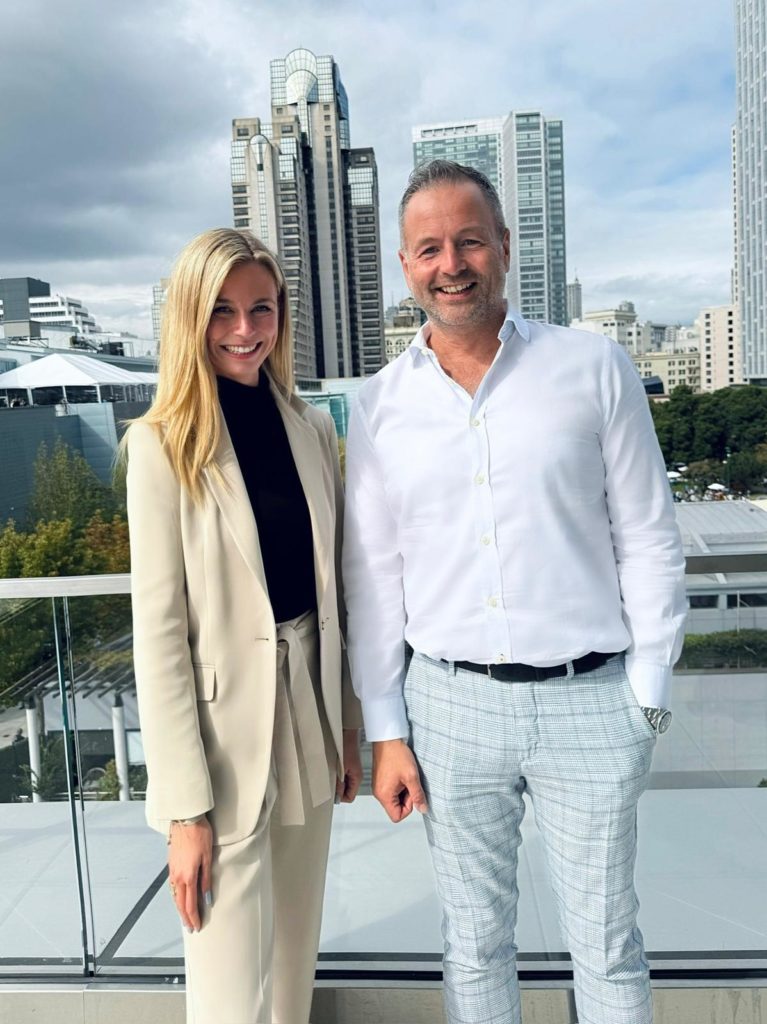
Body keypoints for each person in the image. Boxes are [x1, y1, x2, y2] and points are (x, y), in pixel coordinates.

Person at [342, 161, 686, 1024]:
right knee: (472, 942)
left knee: (606, 941)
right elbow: (373, 575)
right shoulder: (377, 404)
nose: (450, 263)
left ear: (503, 246)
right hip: (448, 707)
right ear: (405, 264)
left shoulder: (593, 366)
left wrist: (647, 699)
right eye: (429, 248)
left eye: (467, 240)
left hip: (593, 699)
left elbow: (647, 536)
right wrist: (386, 730)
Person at [125, 227, 362, 1024]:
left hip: (310, 722)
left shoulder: (310, 429)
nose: (243, 328)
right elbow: (158, 640)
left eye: (261, 308)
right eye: (222, 310)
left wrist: (348, 725)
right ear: (191, 318)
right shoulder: (160, 447)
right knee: (228, 991)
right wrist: (183, 812)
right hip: (222, 747)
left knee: (292, 970)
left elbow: (336, 597)